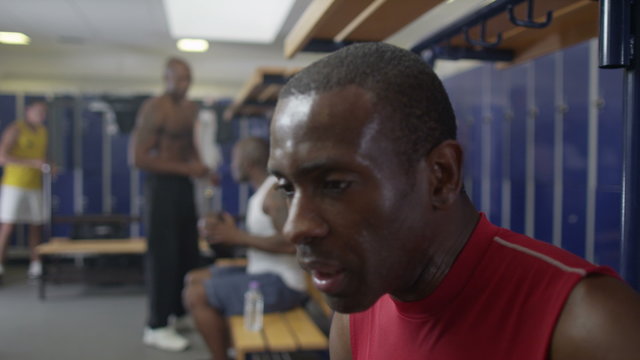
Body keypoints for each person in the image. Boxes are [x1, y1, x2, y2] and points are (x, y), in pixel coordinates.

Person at [267, 42, 640, 360]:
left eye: (334, 184)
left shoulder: (589, 324)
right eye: (287, 186)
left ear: (441, 176)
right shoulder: (355, 314)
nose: (295, 226)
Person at [183, 137, 307, 360]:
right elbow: (256, 239)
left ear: (247, 163)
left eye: (234, 160)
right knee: (194, 278)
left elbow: (293, 245)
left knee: (195, 296)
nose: (231, 167)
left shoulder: (274, 194)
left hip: (283, 284)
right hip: (261, 274)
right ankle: (231, 348)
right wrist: (229, 235)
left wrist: (238, 236)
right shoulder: (262, 193)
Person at [130, 57, 211, 352]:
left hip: (183, 187)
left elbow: (189, 148)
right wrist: (186, 169)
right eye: (179, 79)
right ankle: (156, 325)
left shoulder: (189, 108)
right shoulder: (155, 108)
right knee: (163, 256)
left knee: (187, 251)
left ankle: (177, 314)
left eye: (188, 78)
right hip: (161, 188)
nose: (185, 84)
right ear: (166, 78)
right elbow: (138, 158)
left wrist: (203, 168)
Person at [0, 99, 52, 283]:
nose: (42, 116)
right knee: (8, 226)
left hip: (35, 186)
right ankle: (0, 266)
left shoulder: (43, 132)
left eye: (44, 112)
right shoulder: (16, 129)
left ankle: (36, 266)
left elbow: (41, 157)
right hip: (14, 184)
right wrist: (32, 163)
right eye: (38, 111)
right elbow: (2, 157)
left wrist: (48, 166)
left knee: (36, 225)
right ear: (28, 111)